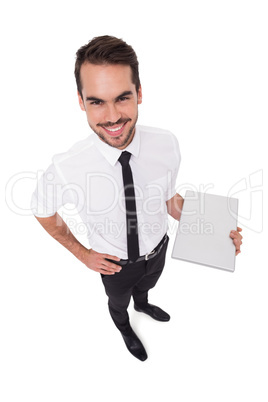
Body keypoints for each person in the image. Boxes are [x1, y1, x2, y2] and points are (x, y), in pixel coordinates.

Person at [31, 35, 243, 362]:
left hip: (159, 248)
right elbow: (43, 212)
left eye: (123, 97)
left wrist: (216, 231)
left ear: (140, 93)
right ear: (81, 101)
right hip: (114, 265)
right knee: (118, 301)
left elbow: (168, 198)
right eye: (97, 101)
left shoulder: (166, 144)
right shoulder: (65, 167)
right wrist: (83, 254)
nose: (113, 116)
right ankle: (124, 325)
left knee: (146, 287)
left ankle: (142, 303)